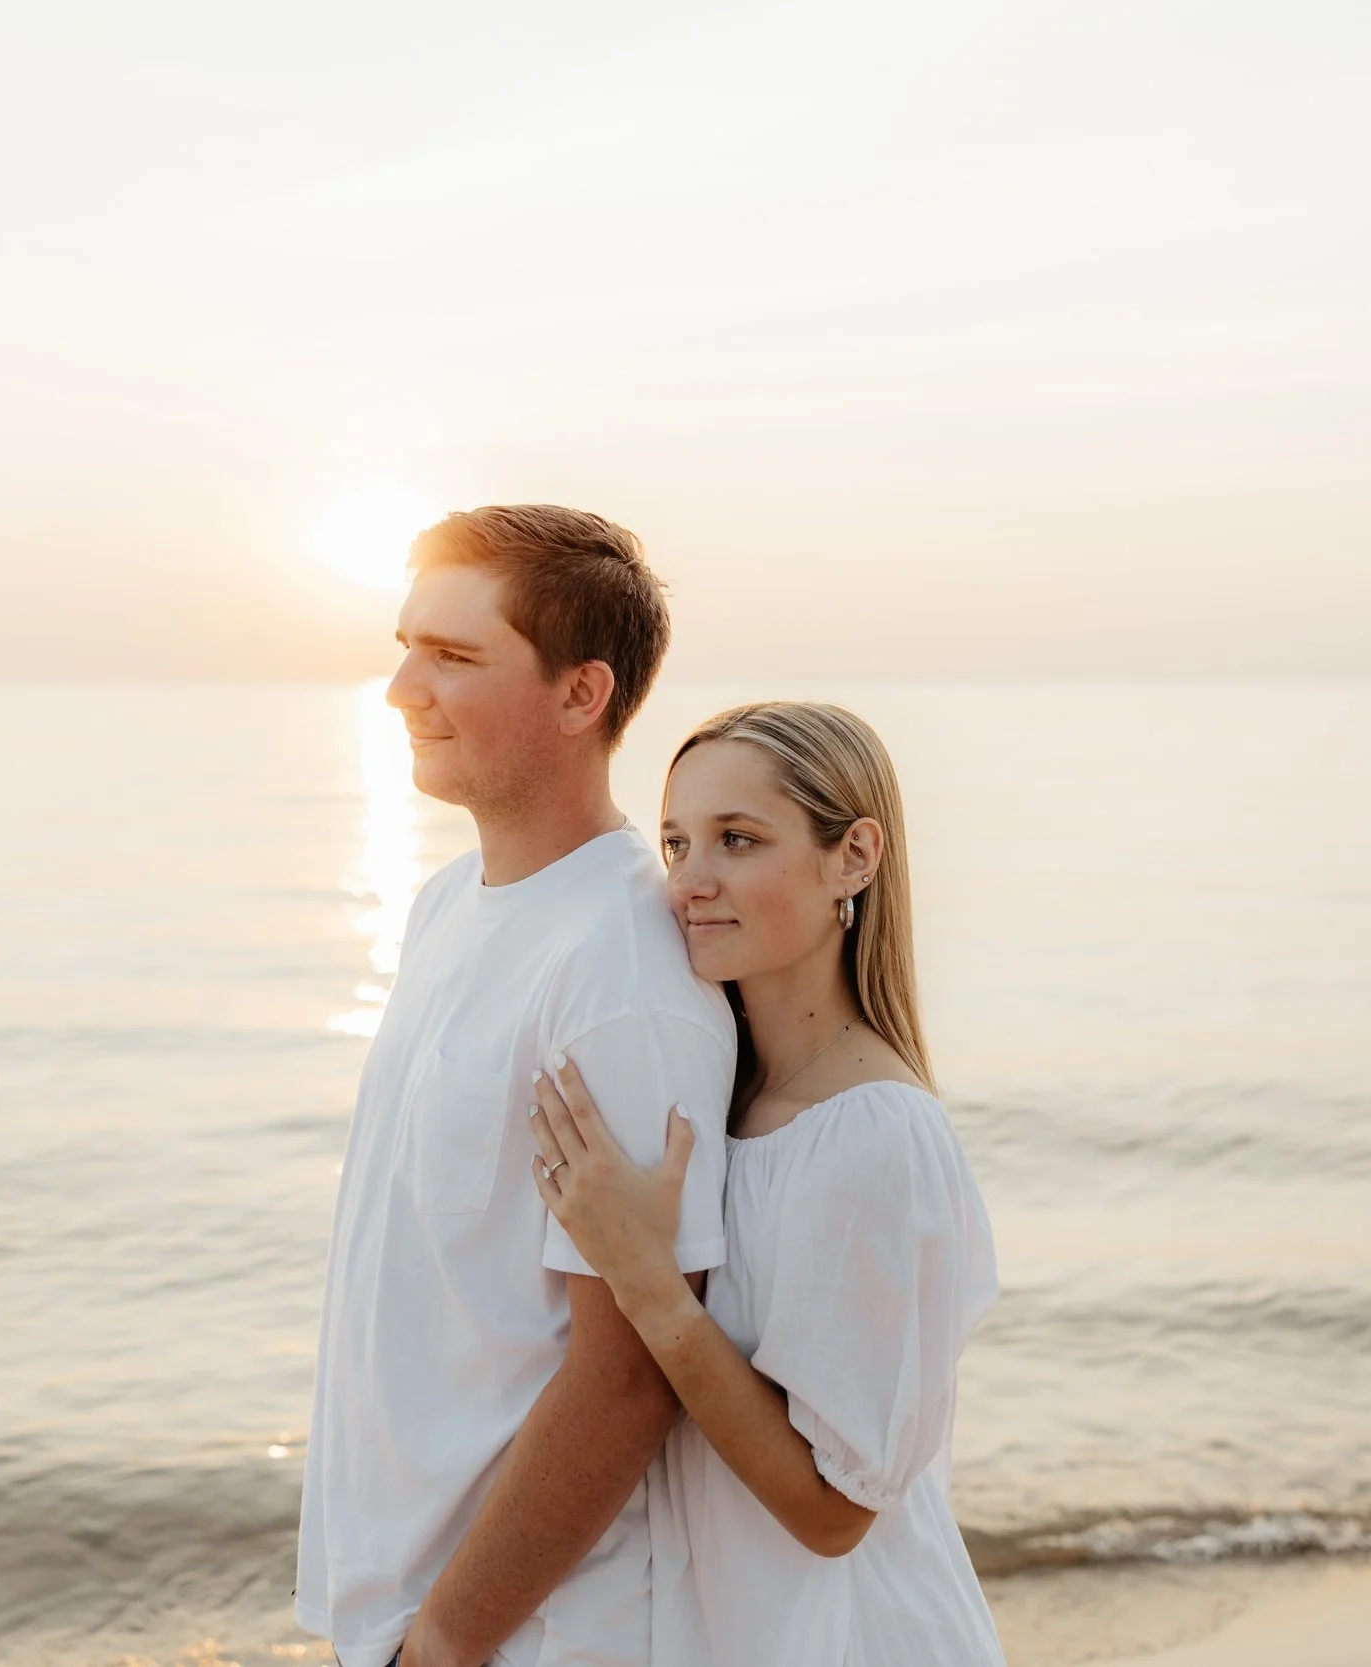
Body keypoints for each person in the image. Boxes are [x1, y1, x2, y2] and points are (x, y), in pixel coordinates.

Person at [295, 506, 736, 1667]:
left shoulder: (620, 973)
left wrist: (445, 1642)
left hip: (534, 1634)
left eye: (452, 656)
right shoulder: (447, 905)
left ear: (581, 694)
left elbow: (630, 1371)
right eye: (405, 643)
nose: (399, 687)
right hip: (405, 1606)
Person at [528, 701, 1005, 1667]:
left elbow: (835, 1513)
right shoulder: (723, 1092)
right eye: (674, 843)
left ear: (854, 857)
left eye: (737, 840)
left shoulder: (877, 1135)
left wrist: (650, 1286)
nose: (690, 883)